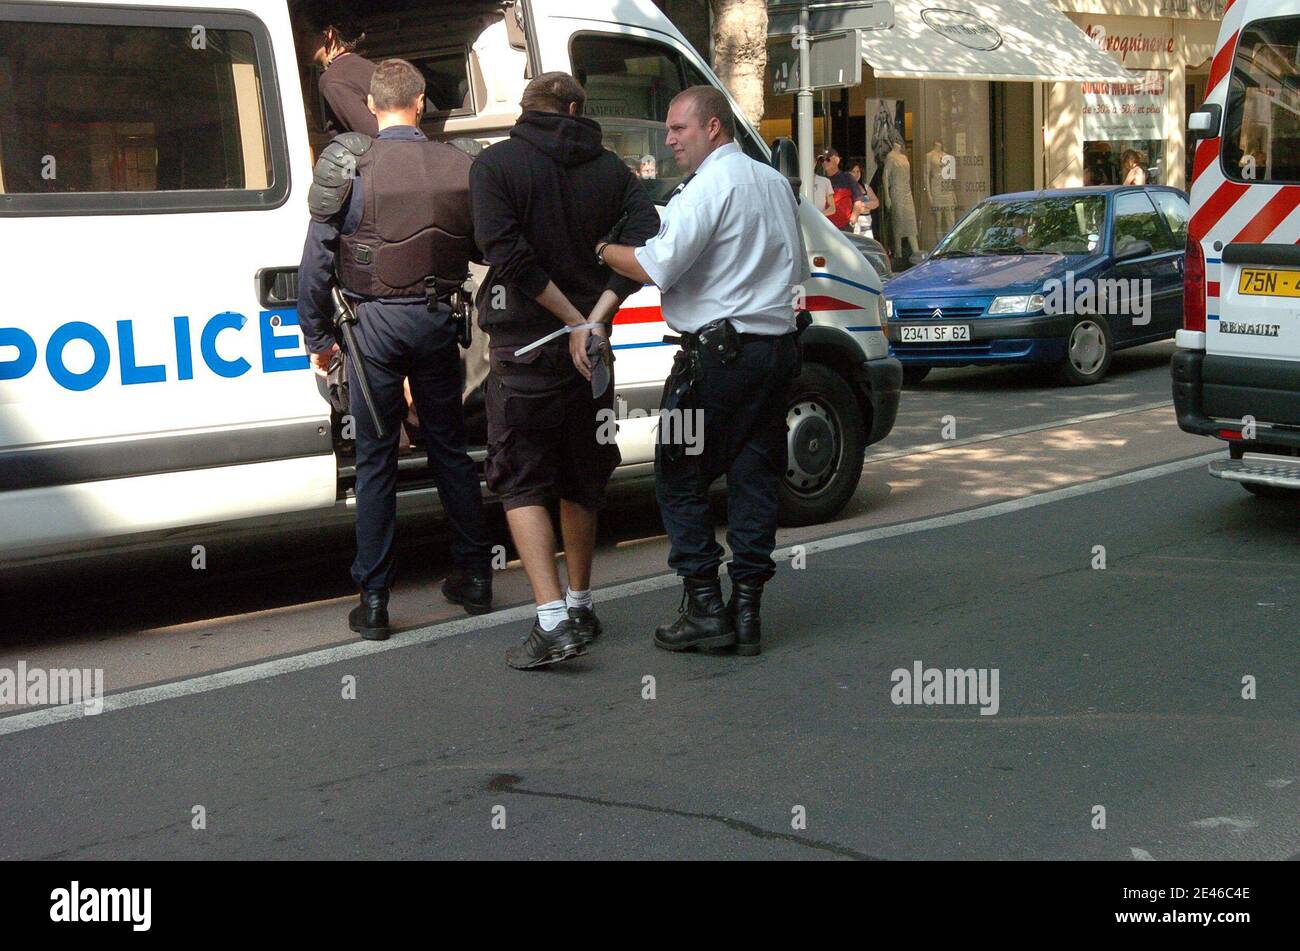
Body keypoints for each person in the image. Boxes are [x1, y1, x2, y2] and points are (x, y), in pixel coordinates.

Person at [599, 86, 808, 657]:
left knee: (678, 474)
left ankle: (705, 608)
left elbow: (654, 265)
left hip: (716, 361)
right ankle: (748, 610)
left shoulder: (708, 187)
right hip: (775, 352)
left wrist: (603, 249)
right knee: (753, 473)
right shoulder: (771, 182)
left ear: (713, 127)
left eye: (678, 129)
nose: (668, 140)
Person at [297, 59, 495, 641]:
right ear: (421, 101)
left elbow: (316, 261)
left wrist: (318, 337)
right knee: (450, 451)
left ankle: (376, 601)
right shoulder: (459, 164)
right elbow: (487, 246)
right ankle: (477, 577)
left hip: (372, 329)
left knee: (377, 460)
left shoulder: (350, 165)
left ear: (374, 104)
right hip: (438, 321)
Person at [471, 72, 659, 670]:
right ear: (576, 109)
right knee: (584, 473)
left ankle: (551, 620)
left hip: (524, 347)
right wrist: (595, 321)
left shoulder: (494, 167)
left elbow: (507, 254)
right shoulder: (613, 172)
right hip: (593, 352)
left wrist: (572, 320)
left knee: (521, 477)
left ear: (528, 109)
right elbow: (645, 242)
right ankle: (580, 603)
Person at [298, 9, 378, 137]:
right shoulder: (369, 67)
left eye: (303, 34)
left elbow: (371, 135)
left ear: (328, 35)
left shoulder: (333, 79)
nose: (297, 42)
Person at [823, 147, 864, 230]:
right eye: (822, 160)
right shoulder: (822, 181)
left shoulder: (847, 178)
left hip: (844, 228)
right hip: (826, 228)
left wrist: (852, 222)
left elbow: (858, 201)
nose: (824, 162)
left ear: (837, 161)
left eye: (828, 159)